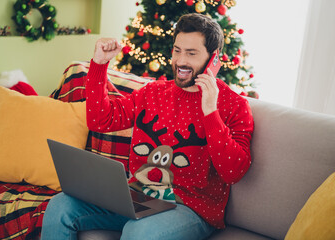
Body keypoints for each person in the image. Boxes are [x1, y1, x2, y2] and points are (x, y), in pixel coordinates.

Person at [41, 13, 254, 240]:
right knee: (60, 206)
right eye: (177, 50)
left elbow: (233, 172)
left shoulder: (234, 105)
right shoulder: (153, 92)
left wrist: (210, 111)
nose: (181, 61)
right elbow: (100, 120)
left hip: (190, 207)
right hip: (139, 196)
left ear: (214, 59)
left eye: (191, 54)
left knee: (139, 231)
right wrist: (100, 65)